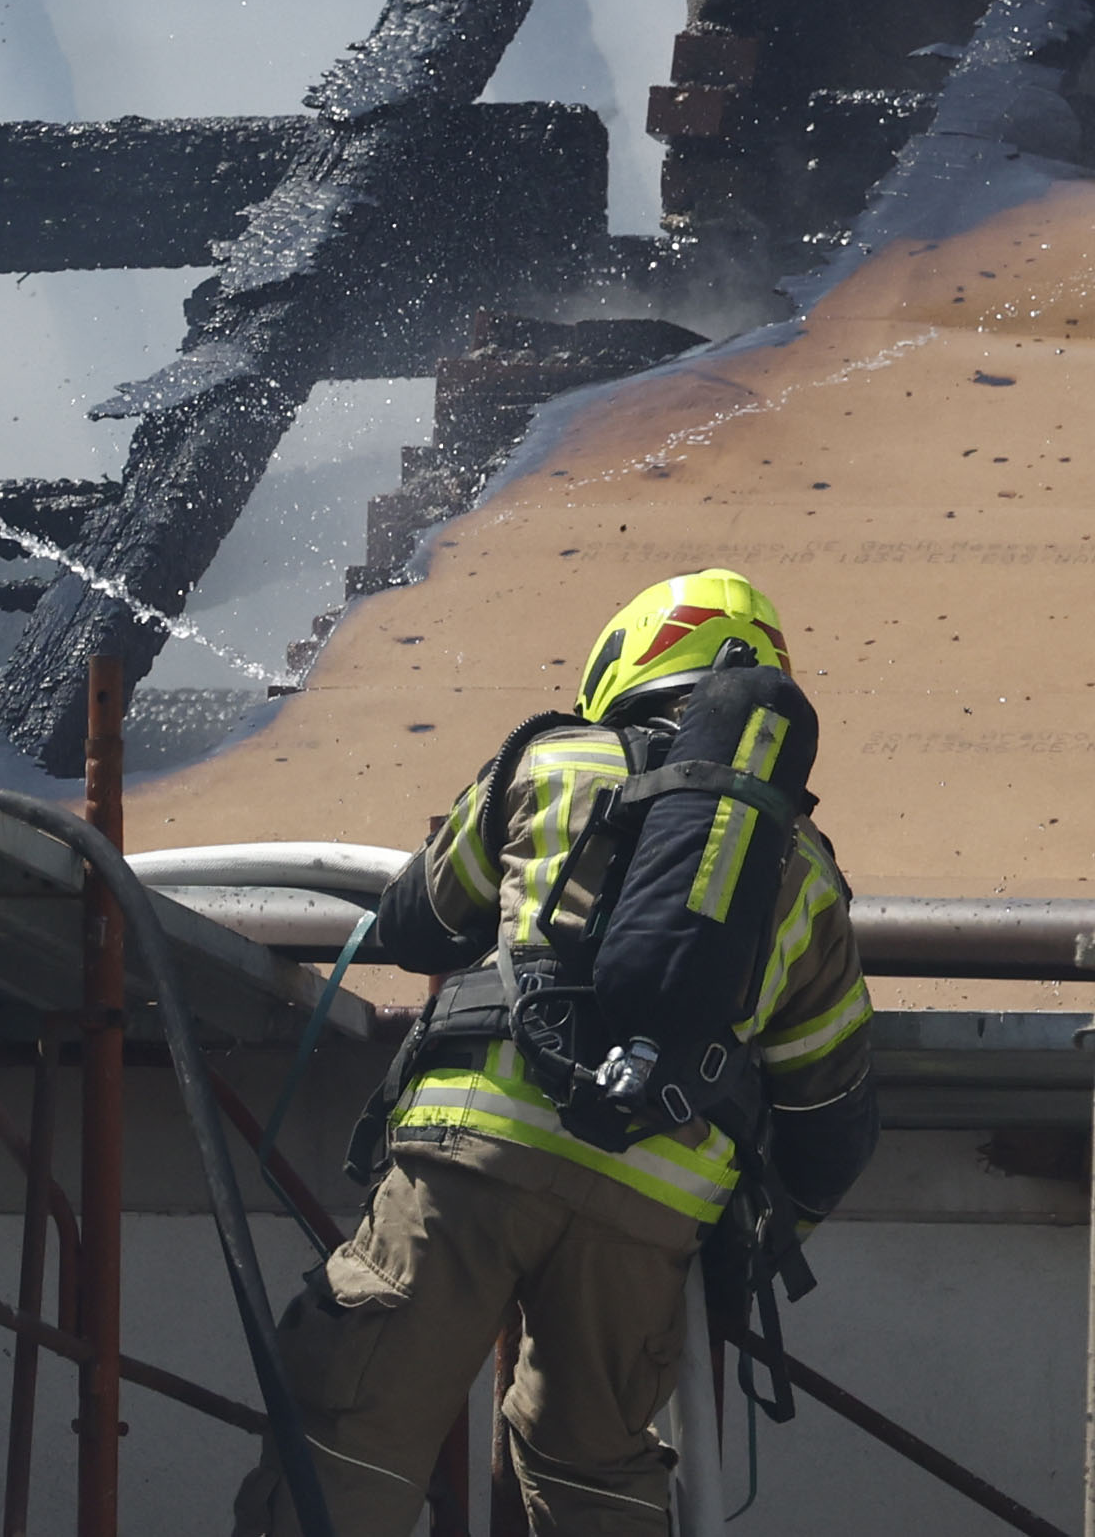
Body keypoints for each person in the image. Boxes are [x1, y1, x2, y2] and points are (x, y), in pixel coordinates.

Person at [231, 569, 877, 1536]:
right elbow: (830, 1126)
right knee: (596, 1477)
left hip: (474, 1161)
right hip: (654, 1206)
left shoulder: (559, 757)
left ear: (633, 658)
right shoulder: (808, 874)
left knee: (351, 1433)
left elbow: (418, 918)